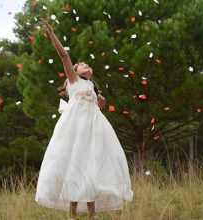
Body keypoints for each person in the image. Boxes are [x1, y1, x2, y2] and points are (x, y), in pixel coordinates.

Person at [35, 18, 134, 220]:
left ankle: (92, 215)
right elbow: (63, 55)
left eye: (87, 65)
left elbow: (101, 106)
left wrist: (101, 100)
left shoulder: (91, 86)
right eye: (81, 65)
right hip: (76, 128)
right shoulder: (74, 80)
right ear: (75, 72)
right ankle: (72, 215)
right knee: (75, 164)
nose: (85, 66)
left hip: (94, 128)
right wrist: (51, 32)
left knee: (91, 165)